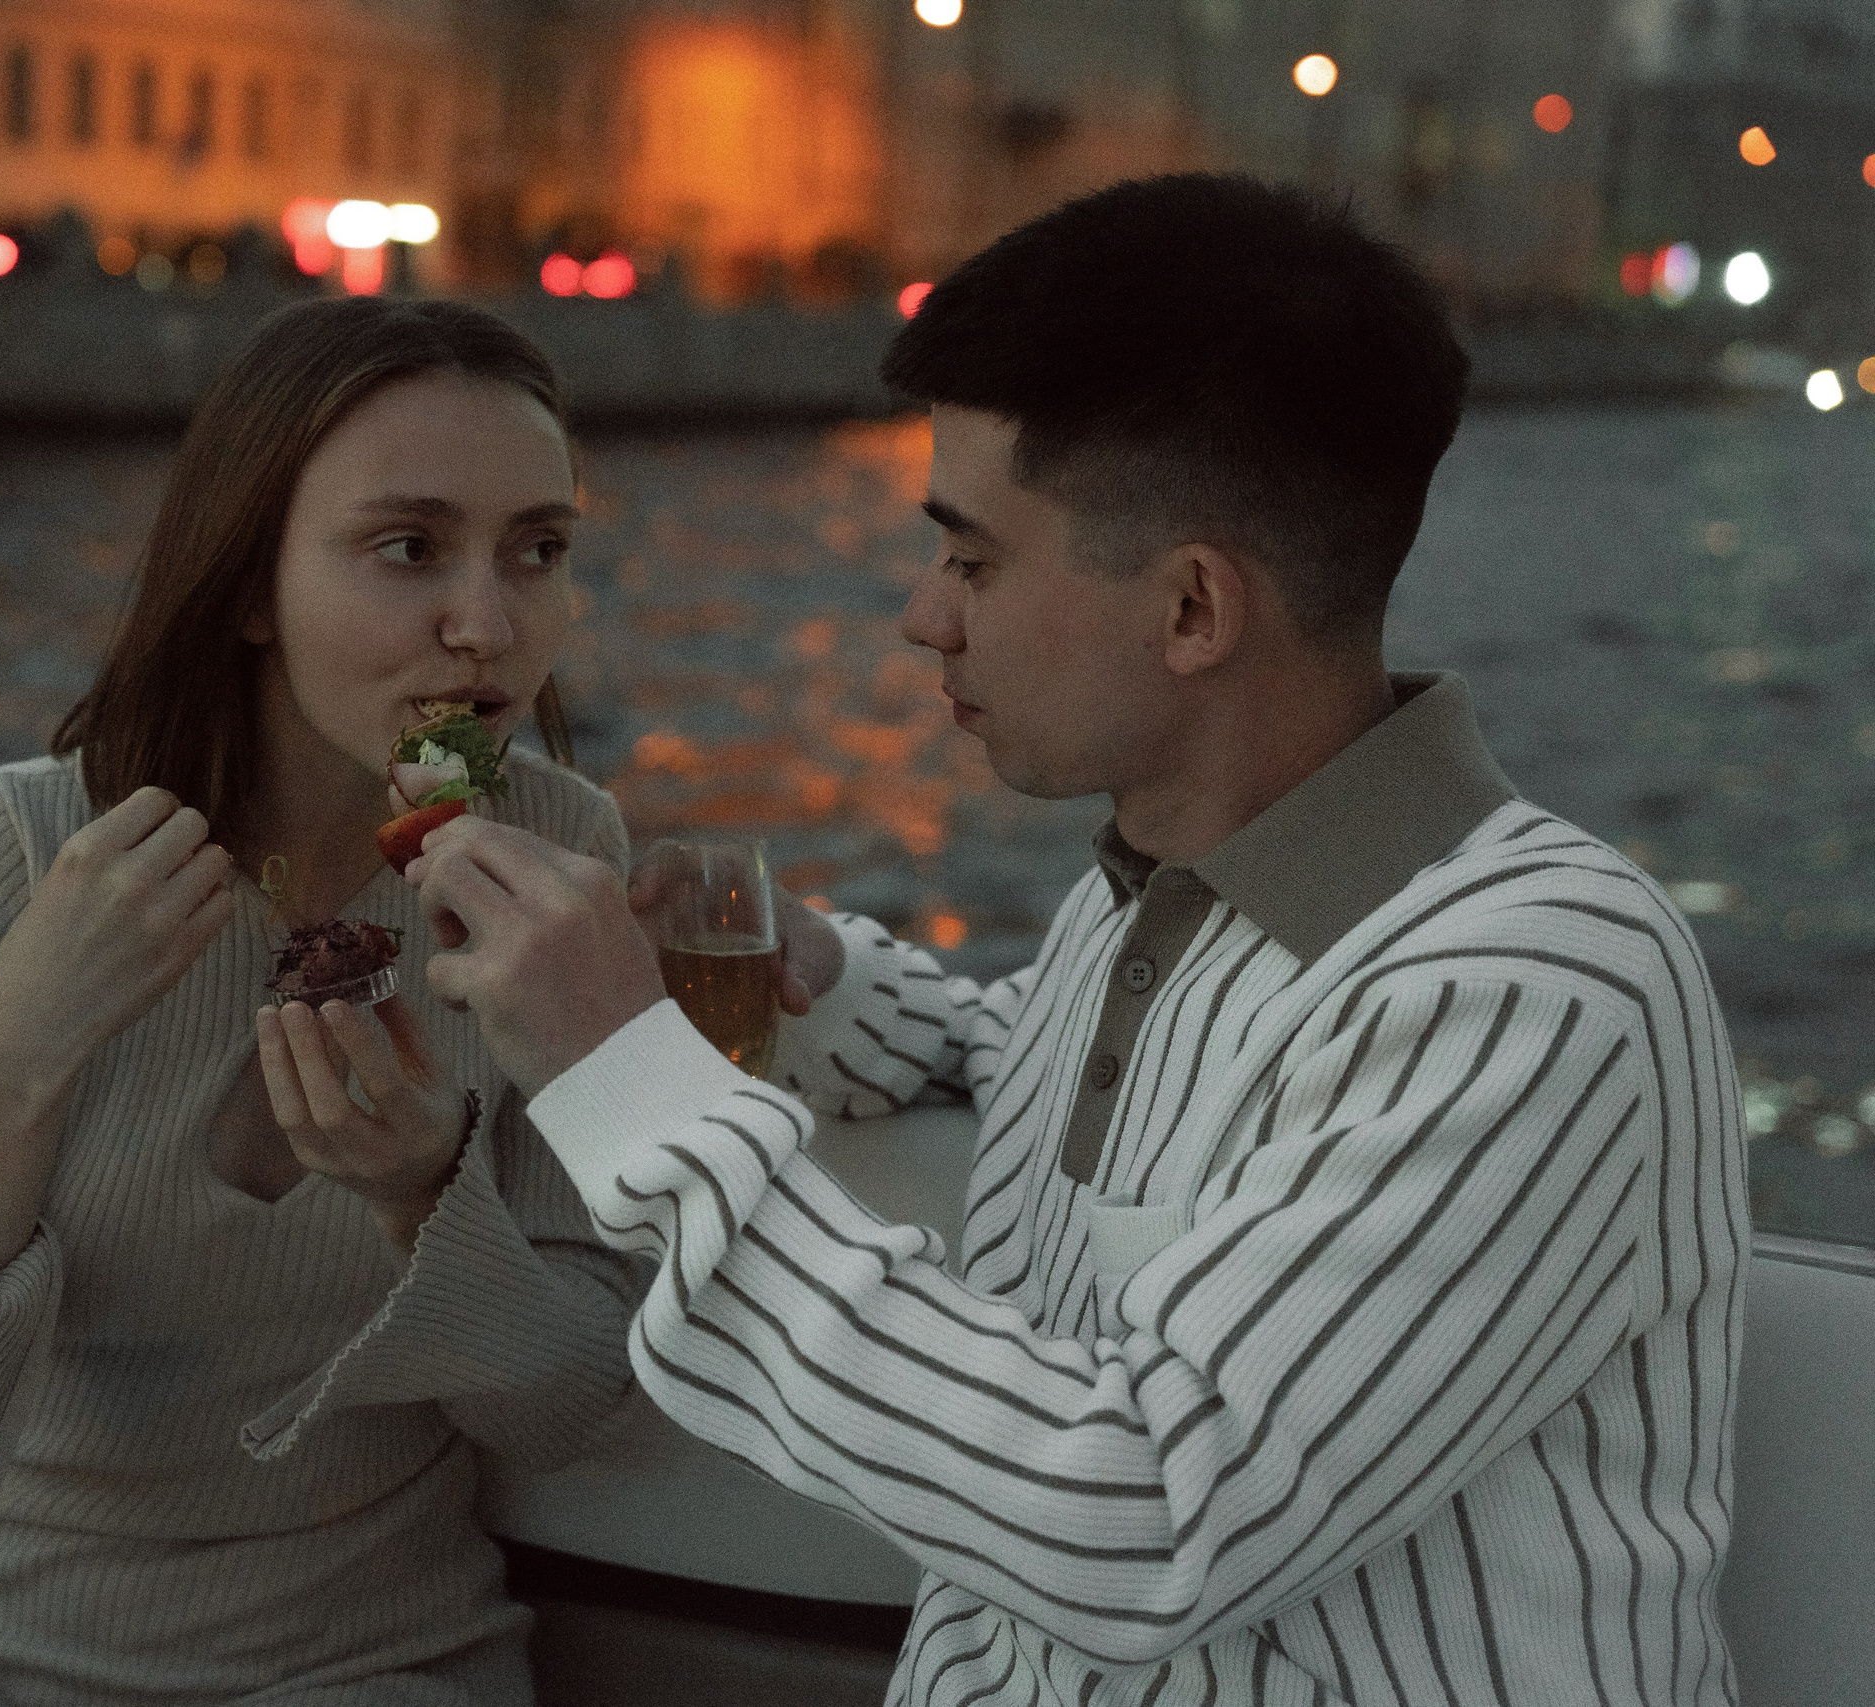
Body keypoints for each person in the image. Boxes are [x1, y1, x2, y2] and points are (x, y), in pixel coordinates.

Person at [408, 175, 1746, 1705]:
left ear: (1191, 611)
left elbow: (1153, 1516)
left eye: (973, 560)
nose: (925, 616)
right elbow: (1088, 1086)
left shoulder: (1533, 987)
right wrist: (828, 989)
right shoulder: (1164, 893)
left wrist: (629, 1082)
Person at [0, 297, 643, 1707]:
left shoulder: (557, 860)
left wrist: (426, 1195)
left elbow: (564, 1406)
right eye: (408, 548)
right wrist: (24, 1041)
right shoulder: (18, 850)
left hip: (366, 1651)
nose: (487, 624)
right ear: (247, 584)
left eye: (538, 550)